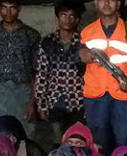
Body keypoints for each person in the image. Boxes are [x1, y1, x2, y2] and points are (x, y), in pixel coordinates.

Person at [79, 0, 127, 153]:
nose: (107, 3)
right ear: (96, 3)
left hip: (123, 96)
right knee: (98, 146)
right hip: (95, 96)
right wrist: (81, 55)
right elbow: (77, 63)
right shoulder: (86, 32)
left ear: (118, 4)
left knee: (125, 146)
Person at [0, 0, 41, 138]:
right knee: (0, 131)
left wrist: (32, 102)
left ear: (19, 9)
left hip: (23, 91)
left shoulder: (31, 35)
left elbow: (36, 70)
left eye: (12, 8)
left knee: (25, 132)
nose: (8, 13)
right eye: (4, 8)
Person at [34, 0, 86, 139]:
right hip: (54, 101)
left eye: (71, 16)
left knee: (76, 142)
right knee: (58, 143)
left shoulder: (84, 43)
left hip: (78, 102)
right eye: (63, 15)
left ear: (77, 20)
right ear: (57, 18)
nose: (67, 19)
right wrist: (41, 104)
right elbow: (41, 74)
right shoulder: (47, 42)